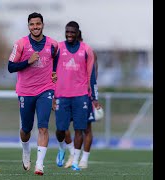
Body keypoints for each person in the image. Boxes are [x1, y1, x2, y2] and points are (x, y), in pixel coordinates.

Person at [8, 12, 58, 176]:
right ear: (28, 26)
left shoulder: (53, 44)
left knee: (43, 126)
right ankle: (26, 150)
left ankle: (39, 165)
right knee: (26, 129)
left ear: (43, 25)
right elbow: (10, 67)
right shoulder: (20, 44)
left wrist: (55, 78)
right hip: (26, 91)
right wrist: (27, 62)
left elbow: (56, 63)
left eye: (38, 24)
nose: (35, 27)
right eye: (32, 24)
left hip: (46, 90)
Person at [52, 21, 95, 171]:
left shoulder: (86, 50)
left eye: (72, 32)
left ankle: (76, 161)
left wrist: (94, 98)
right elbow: (51, 72)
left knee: (79, 129)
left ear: (78, 33)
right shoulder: (58, 48)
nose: (69, 35)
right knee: (60, 130)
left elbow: (91, 75)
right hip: (61, 96)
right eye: (67, 32)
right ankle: (62, 149)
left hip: (81, 95)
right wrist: (52, 94)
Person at [61, 30, 102, 169]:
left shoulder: (88, 52)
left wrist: (95, 98)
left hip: (84, 96)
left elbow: (93, 77)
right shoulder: (63, 50)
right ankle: (72, 153)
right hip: (66, 95)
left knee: (86, 129)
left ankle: (84, 159)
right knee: (64, 127)